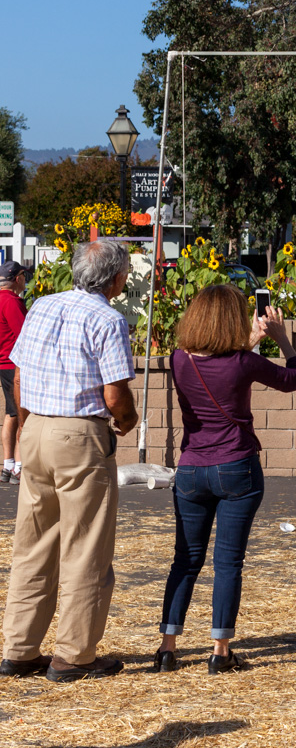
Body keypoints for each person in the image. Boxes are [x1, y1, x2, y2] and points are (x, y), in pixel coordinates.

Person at [151, 285, 296, 674]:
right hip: (237, 466)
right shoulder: (243, 363)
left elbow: (218, 362)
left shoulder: (179, 359)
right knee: (228, 563)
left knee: (185, 559)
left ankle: (167, 647)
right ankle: (220, 651)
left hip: (190, 469)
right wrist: (281, 339)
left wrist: (252, 341)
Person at [1, 240, 137, 682]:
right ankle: (74, 655)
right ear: (115, 279)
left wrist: (23, 426)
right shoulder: (109, 319)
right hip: (80, 433)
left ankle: (19, 649)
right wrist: (127, 420)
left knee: (33, 543)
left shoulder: (41, 304)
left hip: (36, 426)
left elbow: (19, 373)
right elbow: (114, 394)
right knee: (85, 548)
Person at [0, 260, 28, 485]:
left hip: (4, 363)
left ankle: (8, 464)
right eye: (23, 277)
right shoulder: (11, 301)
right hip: (15, 364)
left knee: (10, 414)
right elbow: (24, 333)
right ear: (17, 279)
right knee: (22, 414)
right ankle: (19, 466)